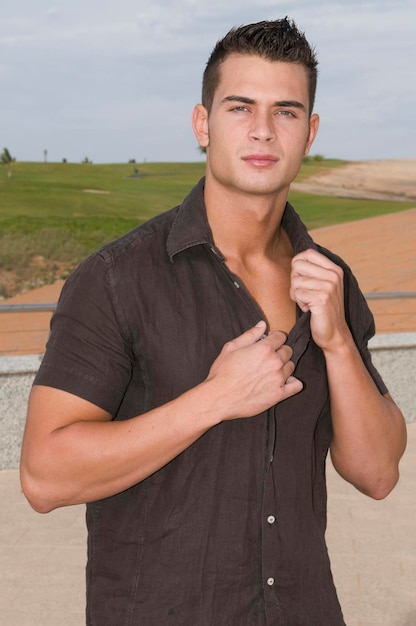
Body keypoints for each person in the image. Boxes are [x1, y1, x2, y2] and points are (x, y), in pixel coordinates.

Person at [20, 17, 407, 625]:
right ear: (202, 124)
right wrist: (215, 398)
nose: (261, 130)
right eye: (239, 107)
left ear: (309, 132)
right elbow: (44, 477)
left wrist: (335, 344)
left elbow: (379, 473)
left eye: (285, 111)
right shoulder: (117, 278)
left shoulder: (330, 280)